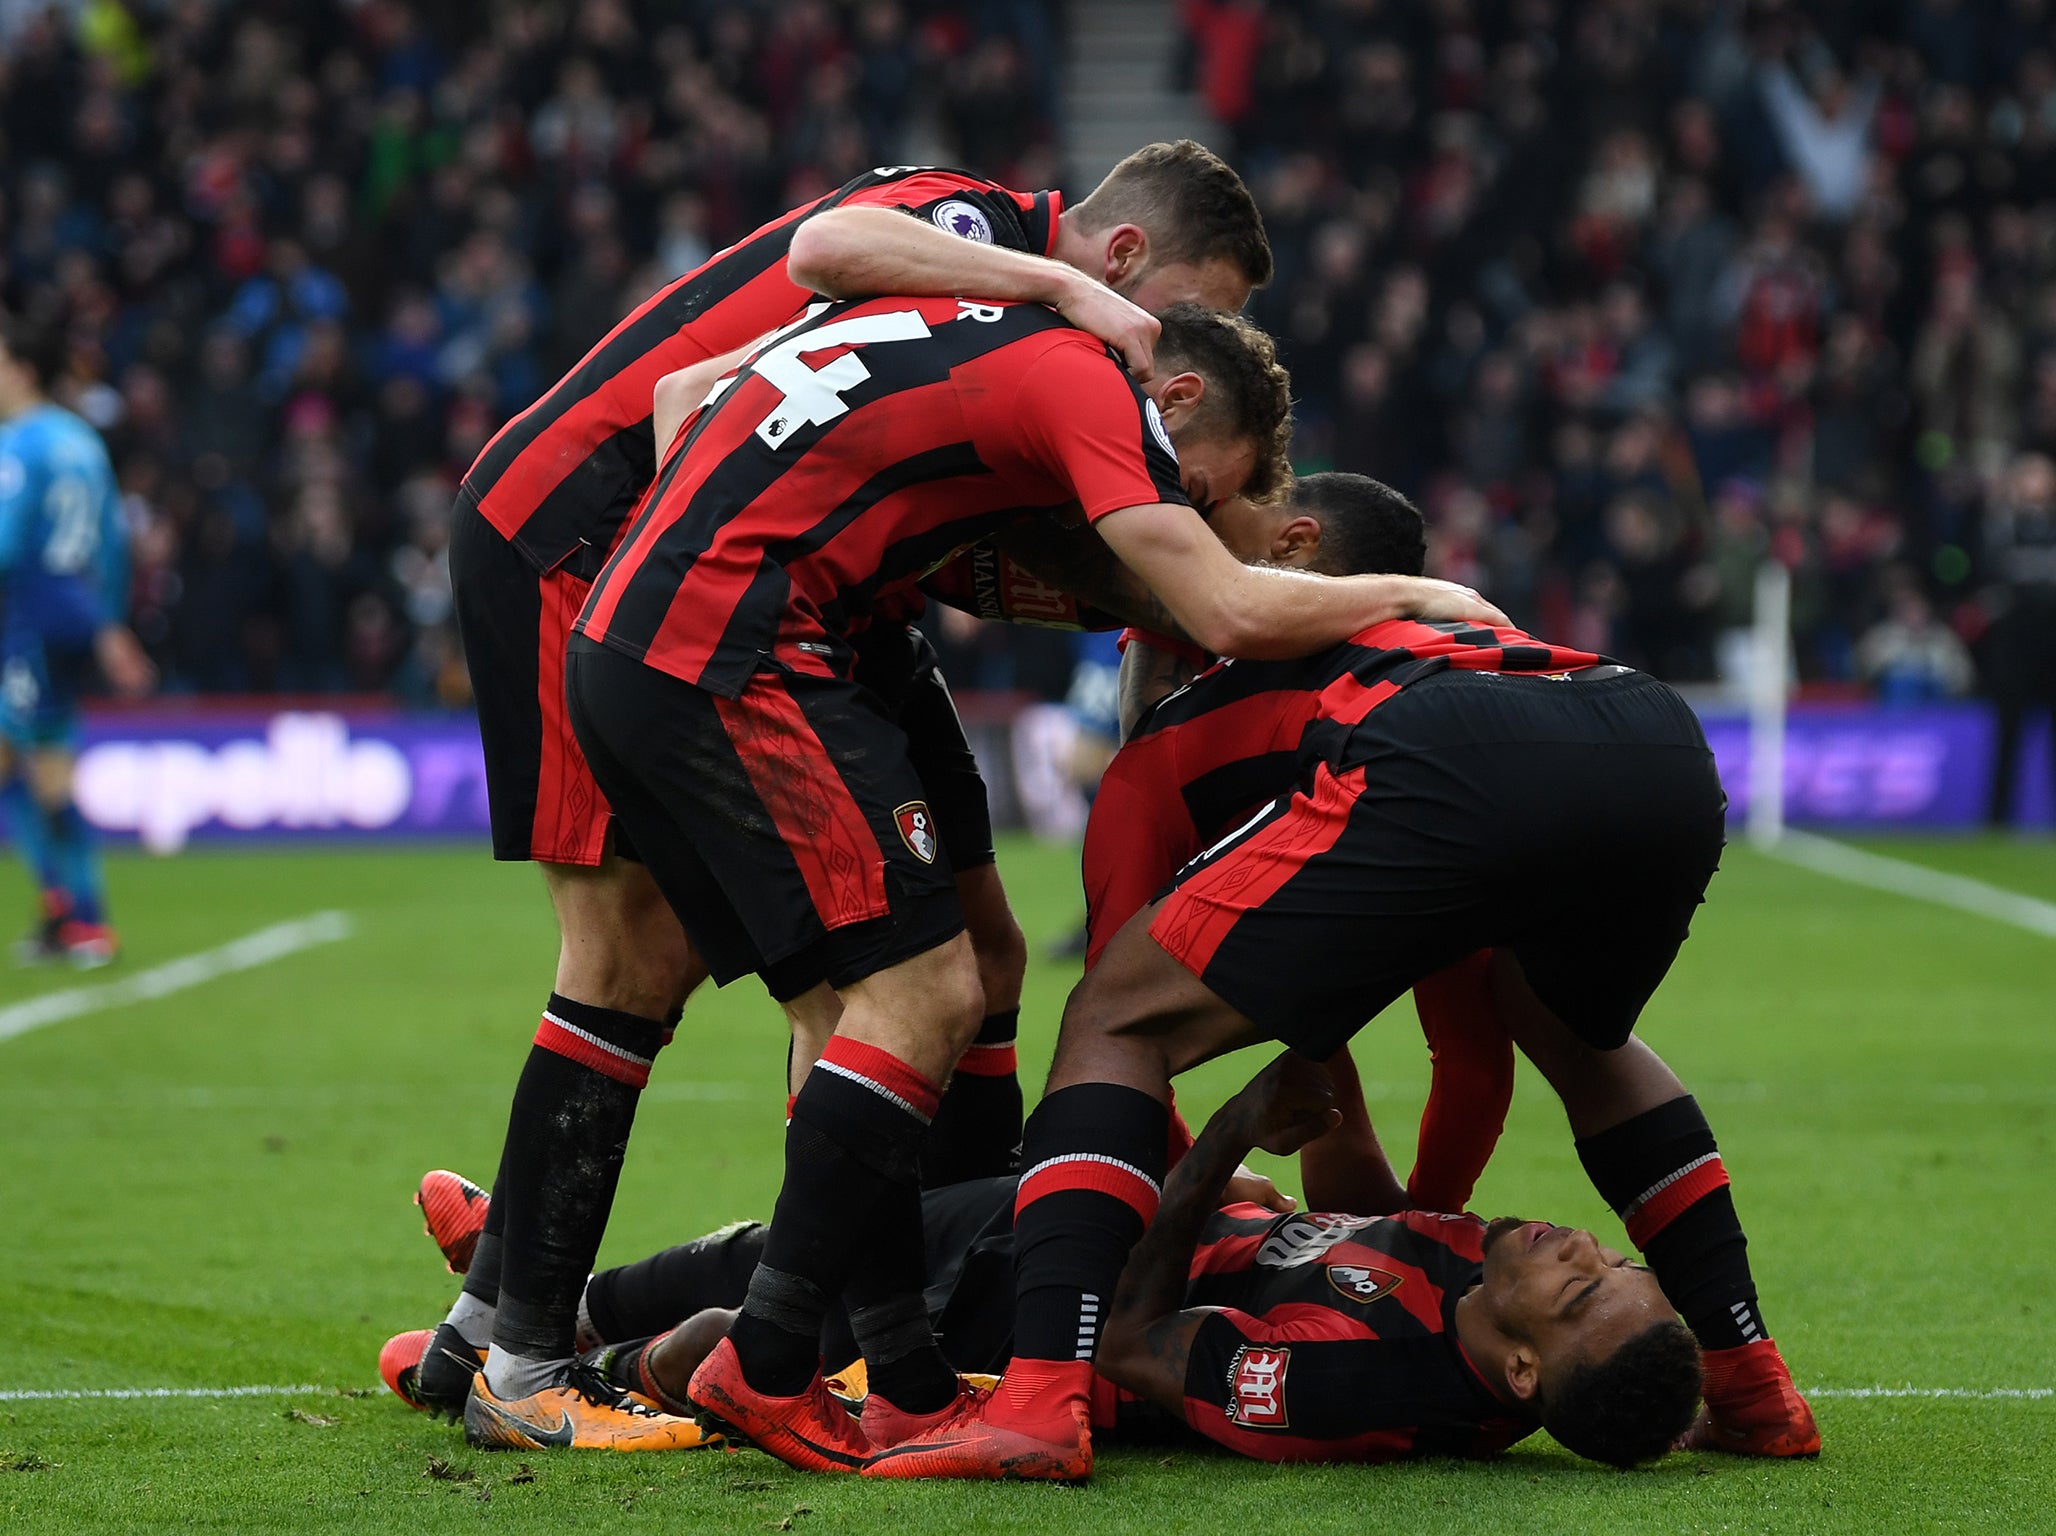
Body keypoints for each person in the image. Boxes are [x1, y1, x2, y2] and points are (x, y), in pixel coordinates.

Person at [563, 298, 1505, 1473]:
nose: (1203, 516)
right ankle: (751, 1356)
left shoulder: (992, 359)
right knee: (917, 998)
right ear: (1174, 401)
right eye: (1229, 488)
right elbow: (1221, 608)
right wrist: (1423, 600)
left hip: (725, 634)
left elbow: (683, 397)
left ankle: (537, 1313)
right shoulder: (1083, 398)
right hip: (750, 645)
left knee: (912, 990)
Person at [433, 143, 1275, 1451]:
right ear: (1119, 263)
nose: (1167, 351)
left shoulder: (985, 327)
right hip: (591, 534)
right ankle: (529, 1356)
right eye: (1174, 310)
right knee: (639, 955)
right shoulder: (970, 234)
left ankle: (833, 1347)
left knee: (941, 961)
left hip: (765, 587)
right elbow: (766, 314)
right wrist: (1075, 314)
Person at [874, 477, 1818, 1480]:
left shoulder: (1171, 743)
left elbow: (1129, 1068)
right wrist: (1406, 1223)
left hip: (1445, 753)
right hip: (1648, 730)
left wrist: (1209, 1160)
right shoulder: (1408, 635)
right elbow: (1449, 1046)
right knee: (1580, 1043)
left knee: (1116, 1020)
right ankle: (1752, 1382)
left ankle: (1037, 1397)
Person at [385, 1051, 1702, 1471]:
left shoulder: (1364, 1386)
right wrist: (1325, 1100)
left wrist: (1213, 1145)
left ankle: (559, 1365)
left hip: (1034, 1304)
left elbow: (1127, 1347)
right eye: (1613, 1255)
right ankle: (505, 1310)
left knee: (767, 1300)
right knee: (793, 1240)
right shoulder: (1484, 1277)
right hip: (1099, 1220)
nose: (1580, 1246)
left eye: (1584, 1288)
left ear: (1524, 1372)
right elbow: (1367, 1226)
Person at [0, 311, 154, 966]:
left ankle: (86, 921)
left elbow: (4, 544)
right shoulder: (83, 442)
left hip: (29, 614)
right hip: (77, 610)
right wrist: (110, 622)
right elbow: (114, 540)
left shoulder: (19, 446)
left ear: (22, 370)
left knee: (47, 773)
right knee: (17, 757)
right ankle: (59, 910)